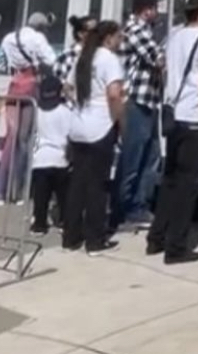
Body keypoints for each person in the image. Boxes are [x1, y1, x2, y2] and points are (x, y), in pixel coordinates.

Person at [148, 0, 198, 265]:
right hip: (193, 118)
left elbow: (164, 69)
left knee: (170, 179)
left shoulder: (174, 36)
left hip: (172, 117)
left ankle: (156, 237)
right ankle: (176, 246)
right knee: (189, 185)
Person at [64, 20, 125, 255]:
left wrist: (80, 103)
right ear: (108, 38)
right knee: (98, 185)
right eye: (119, 37)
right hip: (100, 126)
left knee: (77, 183)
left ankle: (71, 236)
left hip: (78, 125)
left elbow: (67, 88)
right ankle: (95, 239)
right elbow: (113, 95)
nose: (121, 41)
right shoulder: (109, 60)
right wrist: (120, 121)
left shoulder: (84, 57)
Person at [0, 12, 57, 205]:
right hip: (31, 86)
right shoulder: (37, 38)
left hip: (13, 86)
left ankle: (0, 192)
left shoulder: (8, 37)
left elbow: (0, 64)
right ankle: (19, 191)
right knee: (24, 139)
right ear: (41, 27)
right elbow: (52, 60)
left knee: (10, 140)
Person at [115, 0, 163, 230]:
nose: (158, 14)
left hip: (150, 100)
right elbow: (157, 58)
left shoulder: (146, 30)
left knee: (151, 157)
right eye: (155, 9)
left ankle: (140, 205)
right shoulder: (136, 30)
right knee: (133, 158)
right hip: (136, 100)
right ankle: (123, 208)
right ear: (146, 10)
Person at [31, 72, 72, 236]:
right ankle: (63, 221)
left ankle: (39, 224)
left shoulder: (37, 110)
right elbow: (71, 135)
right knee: (63, 195)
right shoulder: (65, 111)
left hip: (40, 158)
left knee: (41, 196)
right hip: (60, 158)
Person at [55, 16, 96, 89]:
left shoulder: (100, 55)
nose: (97, 35)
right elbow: (63, 84)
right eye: (93, 31)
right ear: (80, 34)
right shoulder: (68, 57)